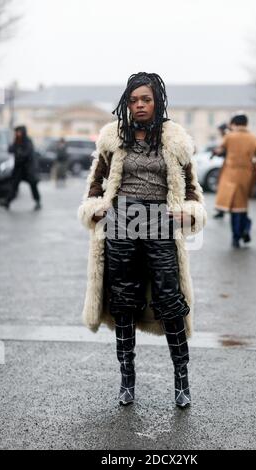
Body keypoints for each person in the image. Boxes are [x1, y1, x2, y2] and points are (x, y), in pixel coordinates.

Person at [77, 72, 207, 408]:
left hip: (160, 222)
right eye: (134, 100)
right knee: (124, 300)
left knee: (169, 299)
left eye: (145, 99)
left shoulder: (175, 140)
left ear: (157, 101)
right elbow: (96, 184)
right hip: (121, 222)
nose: (139, 105)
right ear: (127, 103)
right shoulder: (112, 138)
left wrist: (188, 211)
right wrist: (97, 208)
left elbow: (192, 188)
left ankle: (182, 382)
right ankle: (127, 382)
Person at [213, 113, 256, 248]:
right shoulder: (253, 138)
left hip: (229, 174)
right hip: (246, 175)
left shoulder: (229, 136)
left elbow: (219, 149)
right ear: (246, 124)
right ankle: (246, 227)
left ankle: (236, 236)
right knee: (242, 205)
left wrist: (216, 153)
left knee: (233, 207)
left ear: (235, 123)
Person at [0, 125, 42, 211]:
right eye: (16, 132)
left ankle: (37, 201)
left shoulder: (27, 141)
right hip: (19, 169)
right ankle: (7, 201)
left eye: (19, 132)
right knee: (14, 186)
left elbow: (26, 154)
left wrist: (18, 152)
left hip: (28, 169)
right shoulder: (17, 141)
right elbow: (11, 149)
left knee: (33, 185)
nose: (17, 133)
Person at [212, 123, 230, 219]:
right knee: (222, 188)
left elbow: (224, 150)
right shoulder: (226, 137)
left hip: (229, 167)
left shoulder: (228, 137)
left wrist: (217, 152)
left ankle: (222, 210)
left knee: (223, 188)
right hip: (227, 165)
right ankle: (221, 210)